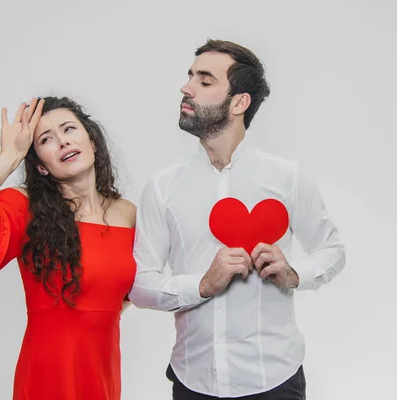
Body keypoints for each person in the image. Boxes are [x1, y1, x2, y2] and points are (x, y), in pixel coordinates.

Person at [129, 39, 346, 399]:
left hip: (274, 381)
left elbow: (333, 250)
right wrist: (201, 284)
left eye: (205, 80)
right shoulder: (162, 188)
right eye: (189, 77)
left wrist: (294, 274)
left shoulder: (286, 178)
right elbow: (138, 284)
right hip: (192, 381)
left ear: (239, 103)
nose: (187, 88)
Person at [0, 96, 136, 400]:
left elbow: (127, 291)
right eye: (46, 139)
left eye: (69, 129)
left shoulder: (128, 213)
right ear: (42, 167)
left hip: (103, 371)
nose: (62, 141)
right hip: (46, 371)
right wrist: (9, 156)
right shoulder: (28, 207)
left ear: (93, 142)